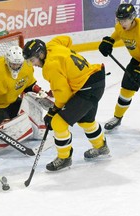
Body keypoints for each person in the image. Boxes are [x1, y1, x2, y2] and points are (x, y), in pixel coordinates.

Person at [22, 36, 110, 171]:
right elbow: (67, 39)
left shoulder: (50, 67)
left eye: (33, 60)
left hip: (86, 89)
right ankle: (101, 147)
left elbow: (63, 96)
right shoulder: (52, 45)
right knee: (86, 120)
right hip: (95, 78)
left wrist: (53, 112)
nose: (33, 64)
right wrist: (68, 67)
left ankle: (64, 158)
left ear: (41, 54)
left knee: (58, 122)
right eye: (29, 61)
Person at [98, 3, 140, 137]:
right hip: (138, 58)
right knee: (126, 89)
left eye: (125, 20)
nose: (122, 23)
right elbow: (118, 32)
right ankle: (117, 117)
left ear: (132, 18)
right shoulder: (120, 26)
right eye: (119, 19)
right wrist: (109, 41)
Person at [0, 45, 48, 126]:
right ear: (7, 61)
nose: (16, 67)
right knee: (7, 126)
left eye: (18, 64)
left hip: (11, 102)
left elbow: (28, 84)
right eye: (13, 64)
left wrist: (39, 91)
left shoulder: (26, 67)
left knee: (31, 112)